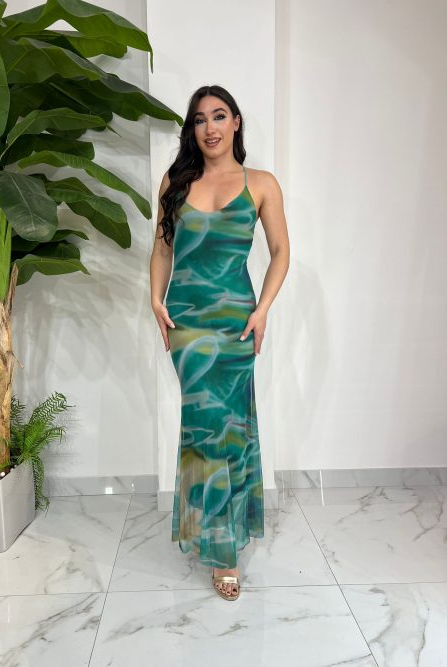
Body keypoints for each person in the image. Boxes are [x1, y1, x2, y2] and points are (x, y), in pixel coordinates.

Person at [150, 84, 290, 601]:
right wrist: (154, 299)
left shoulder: (261, 184)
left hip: (235, 323)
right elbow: (162, 250)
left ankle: (222, 543)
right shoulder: (175, 181)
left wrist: (262, 309)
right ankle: (219, 544)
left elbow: (281, 251)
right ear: (192, 130)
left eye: (218, 116)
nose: (209, 127)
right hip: (186, 323)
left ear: (235, 123)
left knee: (229, 428)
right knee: (204, 428)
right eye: (199, 119)